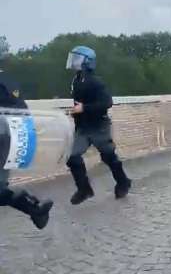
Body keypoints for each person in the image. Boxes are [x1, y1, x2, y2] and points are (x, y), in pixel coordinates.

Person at [65, 46, 132, 205]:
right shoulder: (76, 80)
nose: (74, 62)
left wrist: (84, 108)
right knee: (72, 157)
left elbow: (107, 102)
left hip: (98, 127)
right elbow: (79, 103)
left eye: (77, 59)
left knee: (108, 156)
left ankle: (123, 182)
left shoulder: (96, 81)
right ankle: (84, 189)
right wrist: (76, 111)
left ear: (87, 62)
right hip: (82, 127)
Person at [0, 71, 54, 229]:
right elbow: (22, 109)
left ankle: (33, 207)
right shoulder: (8, 79)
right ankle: (33, 207)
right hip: (12, 134)